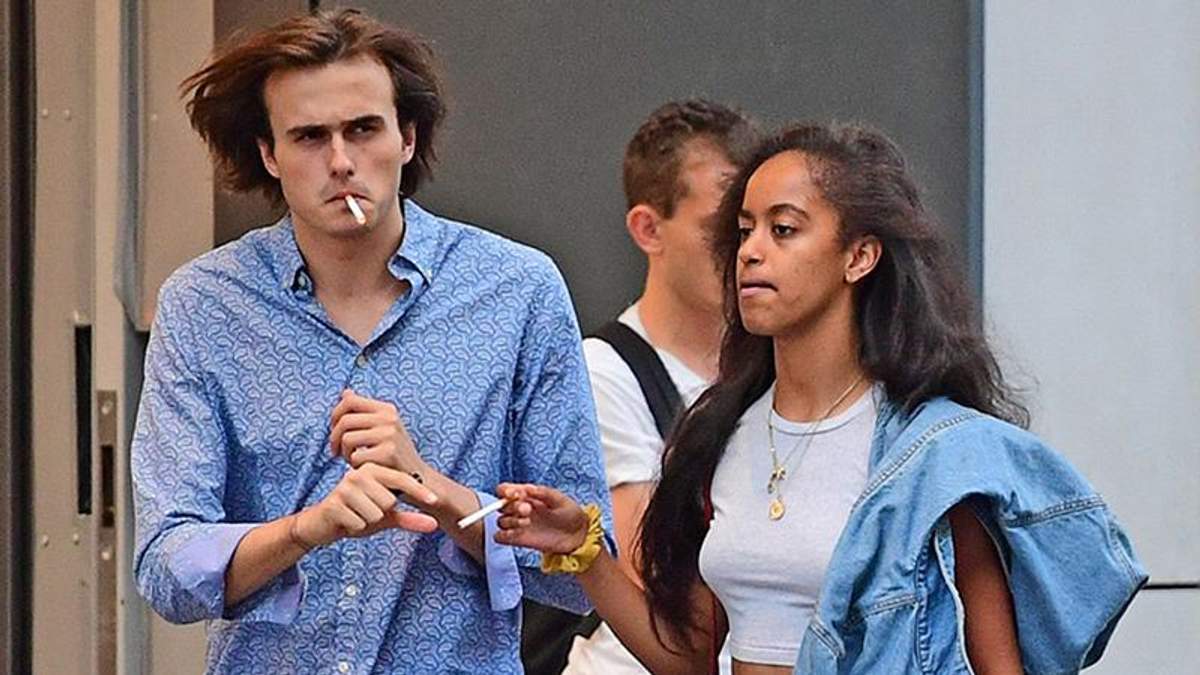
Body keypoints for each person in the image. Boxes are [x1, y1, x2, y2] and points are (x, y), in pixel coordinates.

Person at [494, 122, 1147, 674]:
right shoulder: (719, 434)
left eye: (783, 229)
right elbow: (690, 656)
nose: (751, 252)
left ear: (859, 256)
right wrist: (586, 553)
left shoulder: (933, 455)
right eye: (743, 230)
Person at [130, 9, 610, 674]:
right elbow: (166, 566)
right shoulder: (206, 305)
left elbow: (579, 561)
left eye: (363, 129)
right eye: (309, 137)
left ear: (406, 137)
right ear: (269, 154)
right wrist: (305, 530)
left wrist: (433, 489)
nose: (340, 161)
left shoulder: (517, 291)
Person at [553, 99, 755, 675]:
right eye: (720, 229)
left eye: (756, 228)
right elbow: (656, 581)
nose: (746, 252)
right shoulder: (602, 373)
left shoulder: (778, 373)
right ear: (648, 229)